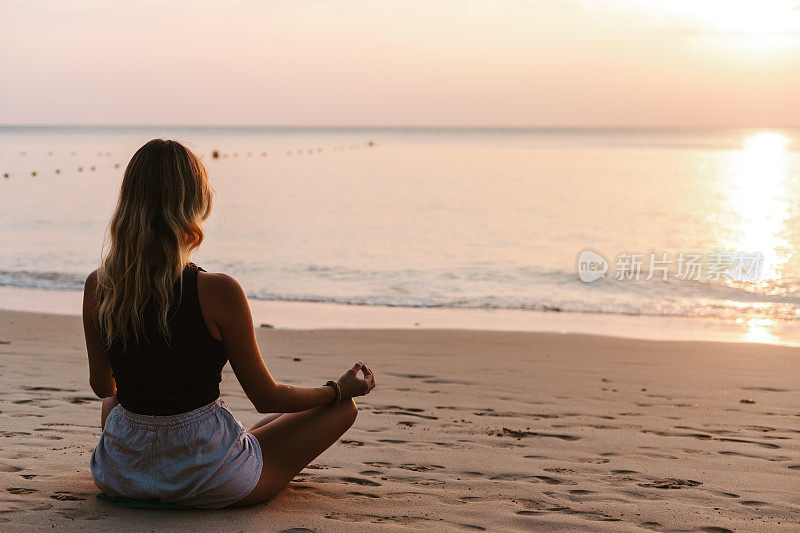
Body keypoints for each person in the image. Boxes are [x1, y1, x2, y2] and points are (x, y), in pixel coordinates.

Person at [82, 138, 375, 509]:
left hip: (121, 475)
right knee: (341, 409)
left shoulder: (99, 285)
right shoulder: (217, 290)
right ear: (195, 204)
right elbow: (266, 398)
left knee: (115, 403)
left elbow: (101, 386)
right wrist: (338, 388)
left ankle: (163, 461)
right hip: (207, 478)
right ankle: (219, 454)